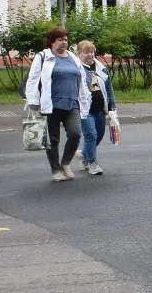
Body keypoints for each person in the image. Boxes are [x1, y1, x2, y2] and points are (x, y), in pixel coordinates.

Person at [23, 26, 91, 182]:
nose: (64, 42)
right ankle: (56, 170)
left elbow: (81, 79)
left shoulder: (73, 58)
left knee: (75, 134)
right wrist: (33, 100)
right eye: (60, 40)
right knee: (53, 139)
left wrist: (85, 98)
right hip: (51, 105)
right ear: (52, 42)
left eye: (66, 39)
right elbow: (33, 79)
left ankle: (65, 163)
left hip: (72, 103)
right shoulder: (43, 56)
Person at [75, 40, 118, 176]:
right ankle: (93, 163)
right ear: (78, 53)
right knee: (91, 135)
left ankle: (83, 154)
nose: (90, 55)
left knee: (98, 135)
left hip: (100, 108)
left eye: (92, 52)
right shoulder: (76, 68)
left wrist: (112, 104)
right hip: (84, 109)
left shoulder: (100, 67)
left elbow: (108, 87)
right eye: (86, 52)